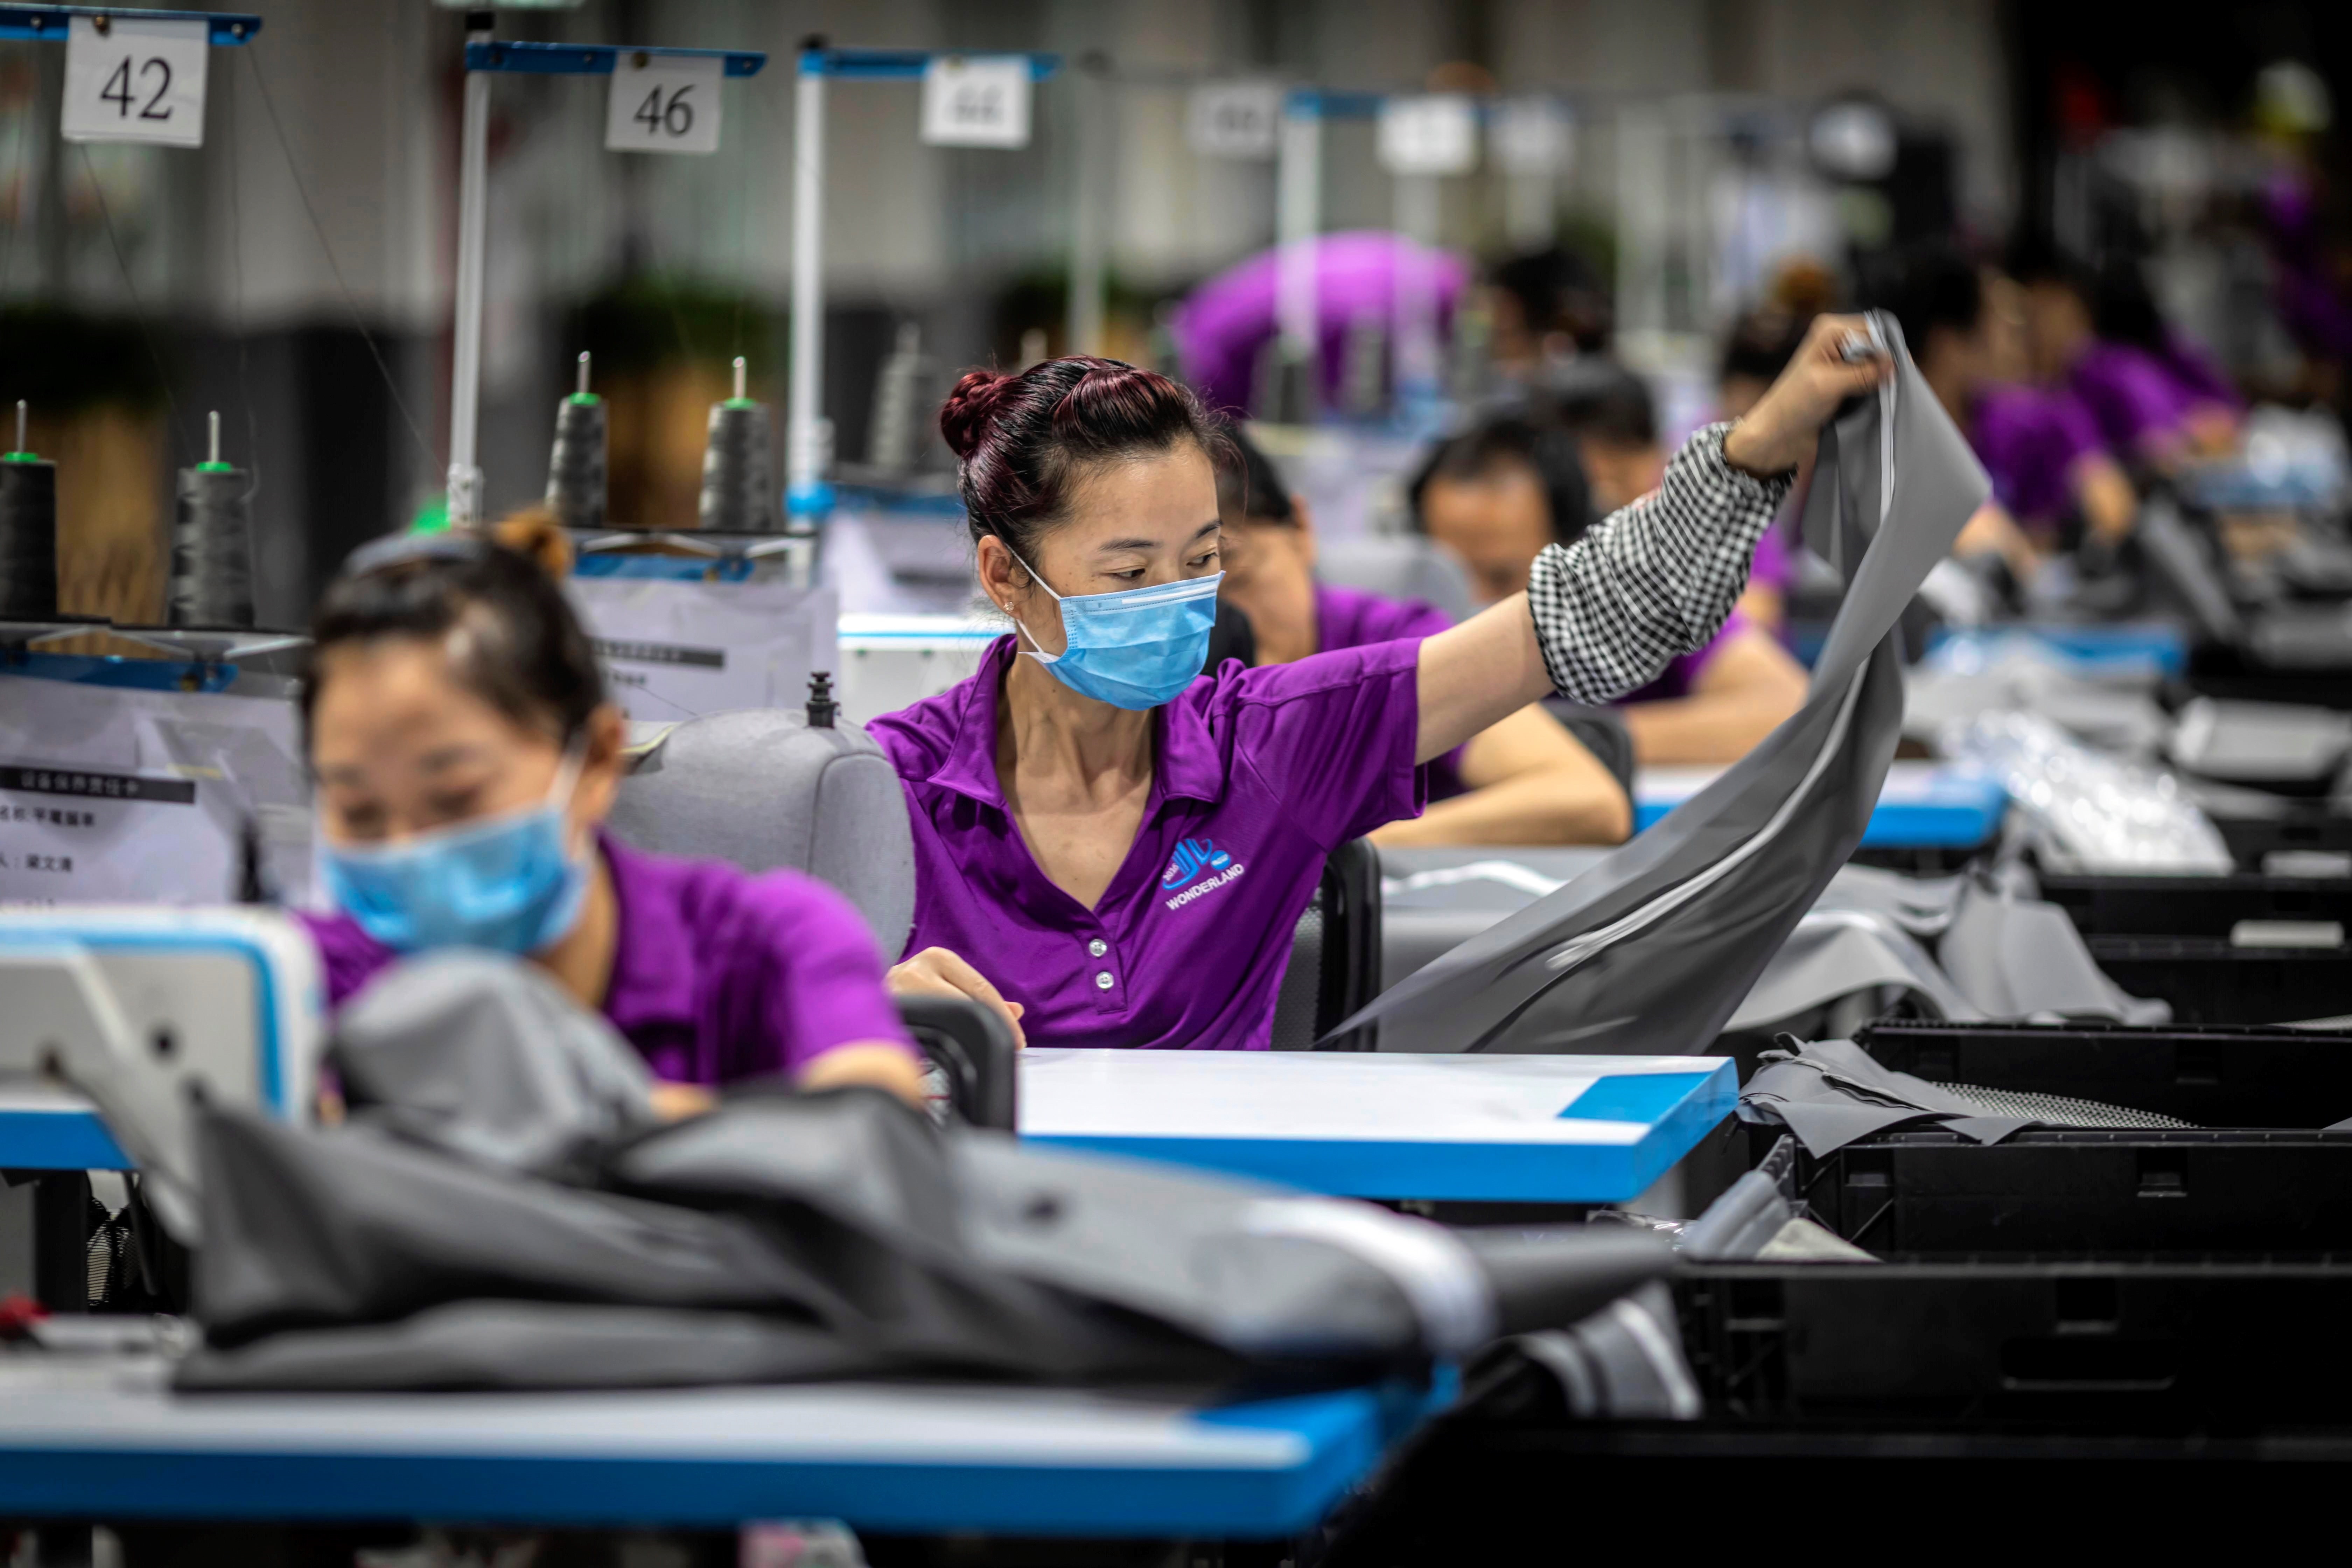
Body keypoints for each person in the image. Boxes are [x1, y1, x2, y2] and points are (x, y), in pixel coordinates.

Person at [875, 330, 1881, 1050]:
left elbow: (1585, 613)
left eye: (1204, 559)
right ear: (1006, 577)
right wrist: (864, 1005)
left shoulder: (1272, 747)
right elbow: (736, 1008)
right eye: (1133, 575)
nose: (1179, 602)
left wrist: (1760, 446)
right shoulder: (880, 788)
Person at [297, 514, 927, 1115]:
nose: (408, 849)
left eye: (457, 799)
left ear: (597, 761)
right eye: (359, 812)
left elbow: (874, 1134)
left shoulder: (769, 949)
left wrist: (579, 1115)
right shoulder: (299, 984)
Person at [1211, 427, 1632, 848]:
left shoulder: (1395, 648)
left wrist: (1334, 856)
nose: (1218, 622)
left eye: (1238, 580)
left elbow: (1589, 800)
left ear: (1301, 528)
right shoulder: (1170, 689)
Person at [1409, 410, 1807, 769]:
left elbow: (1789, 709)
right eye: (1451, 575)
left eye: (1501, 576)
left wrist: (1577, 740)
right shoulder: (1404, 625)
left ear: (1575, 548)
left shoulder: (1648, 599)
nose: (1474, 600)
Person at [1884, 244, 2138, 562]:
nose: (2019, 346)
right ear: (1947, 347)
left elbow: (2112, 505)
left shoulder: (2035, 419)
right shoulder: (1883, 440)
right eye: (2003, 328)